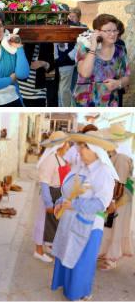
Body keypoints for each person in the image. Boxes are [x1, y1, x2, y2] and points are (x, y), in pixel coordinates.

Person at [51, 131, 117, 301]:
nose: (79, 150)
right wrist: (60, 200)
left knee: (81, 261)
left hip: (89, 225)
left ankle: (80, 293)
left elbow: (101, 204)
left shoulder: (104, 172)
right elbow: (67, 190)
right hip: (70, 221)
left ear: (96, 150)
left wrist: (73, 205)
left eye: (84, 146)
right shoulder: (80, 167)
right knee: (66, 252)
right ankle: (67, 286)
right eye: (80, 145)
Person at [98, 124, 134, 270]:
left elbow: (120, 183)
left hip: (121, 197)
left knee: (117, 226)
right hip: (115, 196)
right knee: (109, 226)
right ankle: (105, 253)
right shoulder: (114, 155)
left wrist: (112, 201)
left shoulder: (121, 158)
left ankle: (112, 258)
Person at [73, 14, 130, 107]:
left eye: (115, 30)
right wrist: (93, 47)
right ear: (97, 32)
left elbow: (127, 78)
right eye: (108, 31)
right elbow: (85, 73)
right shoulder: (84, 48)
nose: (112, 34)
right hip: (85, 103)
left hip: (110, 103)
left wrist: (118, 83)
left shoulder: (120, 51)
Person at [33, 131, 71, 263]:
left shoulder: (60, 158)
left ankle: (48, 245)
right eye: (66, 143)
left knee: (53, 224)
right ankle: (38, 251)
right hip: (49, 193)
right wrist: (48, 203)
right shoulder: (50, 160)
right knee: (42, 223)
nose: (68, 145)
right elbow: (44, 183)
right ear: (61, 144)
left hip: (58, 194)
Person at [55, 7, 86, 107]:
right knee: (65, 88)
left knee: (75, 87)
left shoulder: (83, 28)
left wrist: (72, 55)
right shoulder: (64, 26)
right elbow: (60, 45)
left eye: (74, 17)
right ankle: (66, 106)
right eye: (70, 16)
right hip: (66, 61)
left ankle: (72, 106)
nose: (71, 18)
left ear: (79, 18)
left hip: (77, 61)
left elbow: (83, 44)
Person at [19, 42, 55, 107]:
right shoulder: (26, 41)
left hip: (39, 91)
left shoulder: (47, 43)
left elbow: (51, 66)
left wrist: (42, 63)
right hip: (22, 89)